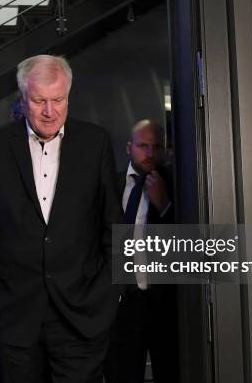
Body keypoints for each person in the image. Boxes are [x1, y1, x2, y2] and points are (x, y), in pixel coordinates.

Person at [0, 54, 123, 382]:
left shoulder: (95, 143)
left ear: (68, 96)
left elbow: (113, 227)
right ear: (23, 98)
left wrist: (111, 293)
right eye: (39, 101)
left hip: (83, 314)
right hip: (14, 316)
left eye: (58, 100)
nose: (50, 111)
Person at [104, 119, 179, 383]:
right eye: (143, 145)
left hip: (166, 304)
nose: (149, 153)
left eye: (156, 146)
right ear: (128, 148)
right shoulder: (109, 185)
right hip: (122, 305)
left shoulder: (178, 184)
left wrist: (166, 205)